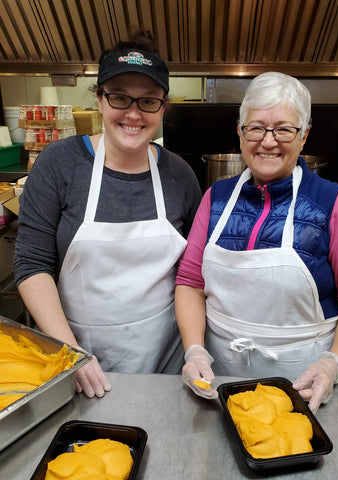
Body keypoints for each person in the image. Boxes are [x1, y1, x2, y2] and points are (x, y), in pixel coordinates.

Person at [175, 71, 338, 412]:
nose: (268, 141)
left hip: (305, 388)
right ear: (240, 134)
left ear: (304, 136)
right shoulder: (216, 197)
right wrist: (194, 349)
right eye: (256, 127)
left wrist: (332, 364)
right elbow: (190, 282)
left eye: (283, 129)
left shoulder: (335, 204)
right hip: (219, 384)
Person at [14, 29, 202, 399]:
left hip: (165, 362)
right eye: (119, 98)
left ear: (163, 107)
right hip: (78, 358)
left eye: (148, 102)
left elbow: (194, 272)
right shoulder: (60, 163)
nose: (133, 113)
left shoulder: (179, 173)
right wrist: (72, 354)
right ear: (99, 100)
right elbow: (31, 264)